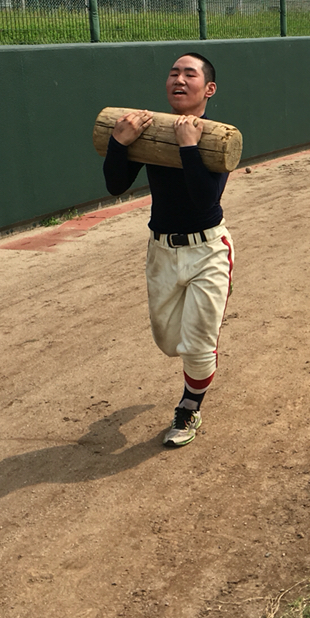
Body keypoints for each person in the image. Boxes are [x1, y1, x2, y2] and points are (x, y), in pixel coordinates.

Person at [102, 52, 234, 448]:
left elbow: (204, 202)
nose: (178, 79)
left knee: (196, 347)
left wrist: (190, 149)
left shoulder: (218, 136)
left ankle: (189, 406)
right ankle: (201, 357)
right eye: (173, 72)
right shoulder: (153, 129)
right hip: (161, 250)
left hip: (208, 250)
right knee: (167, 342)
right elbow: (115, 185)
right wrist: (118, 143)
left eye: (189, 74)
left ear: (208, 88)